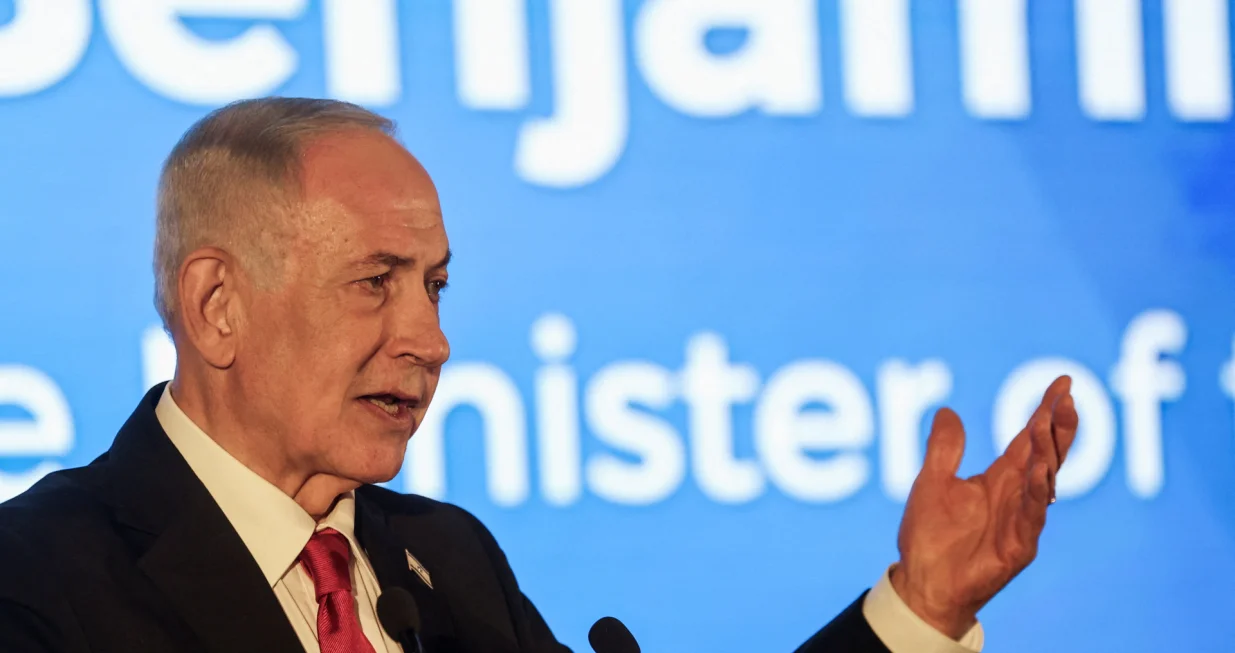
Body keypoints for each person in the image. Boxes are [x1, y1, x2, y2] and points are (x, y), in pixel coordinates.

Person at [0, 98, 1078, 653]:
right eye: (375, 282)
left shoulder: (447, 566)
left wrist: (918, 607)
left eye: (436, 285)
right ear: (217, 306)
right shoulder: (44, 580)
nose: (429, 338)